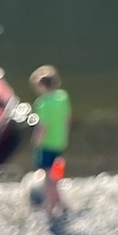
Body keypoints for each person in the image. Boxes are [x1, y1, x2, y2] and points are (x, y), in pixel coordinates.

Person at [29, 65, 71, 216]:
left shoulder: (42, 103)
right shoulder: (62, 97)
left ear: (42, 86)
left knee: (48, 176)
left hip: (47, 144)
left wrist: (36, 142)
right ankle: (60, 202)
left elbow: (42, 127)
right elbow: (67, 118)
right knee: (56, 173)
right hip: (60, 141)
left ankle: (49, 205)